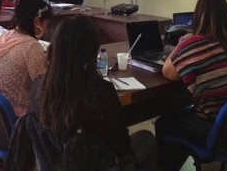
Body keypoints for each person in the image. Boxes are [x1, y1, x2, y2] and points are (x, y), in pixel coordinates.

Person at [29, 15, 157, 169]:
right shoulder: (101, 92)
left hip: (54, 164)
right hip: (96, 164)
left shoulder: (39, 85)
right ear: (91, 51)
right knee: (147, 138)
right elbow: (122, 147)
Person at [155, 0, 227, 171]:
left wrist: (181, 43)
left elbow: (168, 72)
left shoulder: (192, 44)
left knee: (165, 122)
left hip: (216, 130)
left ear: (198, 15)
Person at [0, 0, 51, 117]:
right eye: (47, 24)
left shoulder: (4, 36)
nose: (46, 29)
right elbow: (45, 87)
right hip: (18, 117)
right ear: (37, 21)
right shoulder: (31, 46)